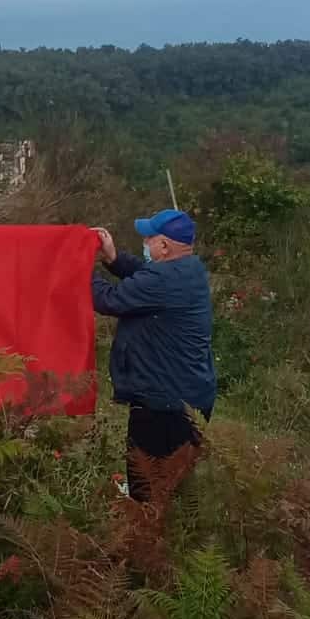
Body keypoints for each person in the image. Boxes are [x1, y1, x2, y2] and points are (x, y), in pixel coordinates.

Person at [91, 207, 216, 505]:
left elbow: (109, 300)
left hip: (162, 404)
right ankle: (176, 538)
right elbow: (144, 275)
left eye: (148, 239)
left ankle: (146, 542)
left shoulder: (162, 279)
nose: (144, 245)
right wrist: (113, 258)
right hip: (187, 397)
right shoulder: (189, 268)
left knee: (146, 489)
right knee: (174, 486)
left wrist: (79, 266)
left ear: (164, 246)